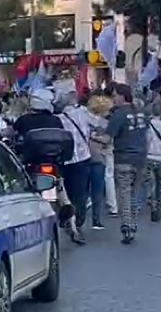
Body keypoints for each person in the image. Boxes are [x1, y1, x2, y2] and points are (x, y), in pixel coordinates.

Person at [57, 84, 100, 244]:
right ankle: (78, 222)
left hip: (63, 159)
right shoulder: (83, 112)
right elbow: (99, 123)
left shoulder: (57, 118)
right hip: (82, 158)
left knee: (65, 193)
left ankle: (69, 220)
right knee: (80, 193)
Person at [107, 83, 148, 244]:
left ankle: (127, 226)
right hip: (140, 158)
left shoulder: (119, 114)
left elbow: (108, 137)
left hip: (123, 157)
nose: (113, 98)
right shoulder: (141, 113)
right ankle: (133, 223)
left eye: (115, 95)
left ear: (122, 96)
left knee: (124, 193)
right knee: (134, 193)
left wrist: (94, 136)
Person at [145, 102, 161, 222]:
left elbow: (146, 141)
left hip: (149, 157)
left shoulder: (147, 126)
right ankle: (159, 204)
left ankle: (152, 200)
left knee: (150, 182)